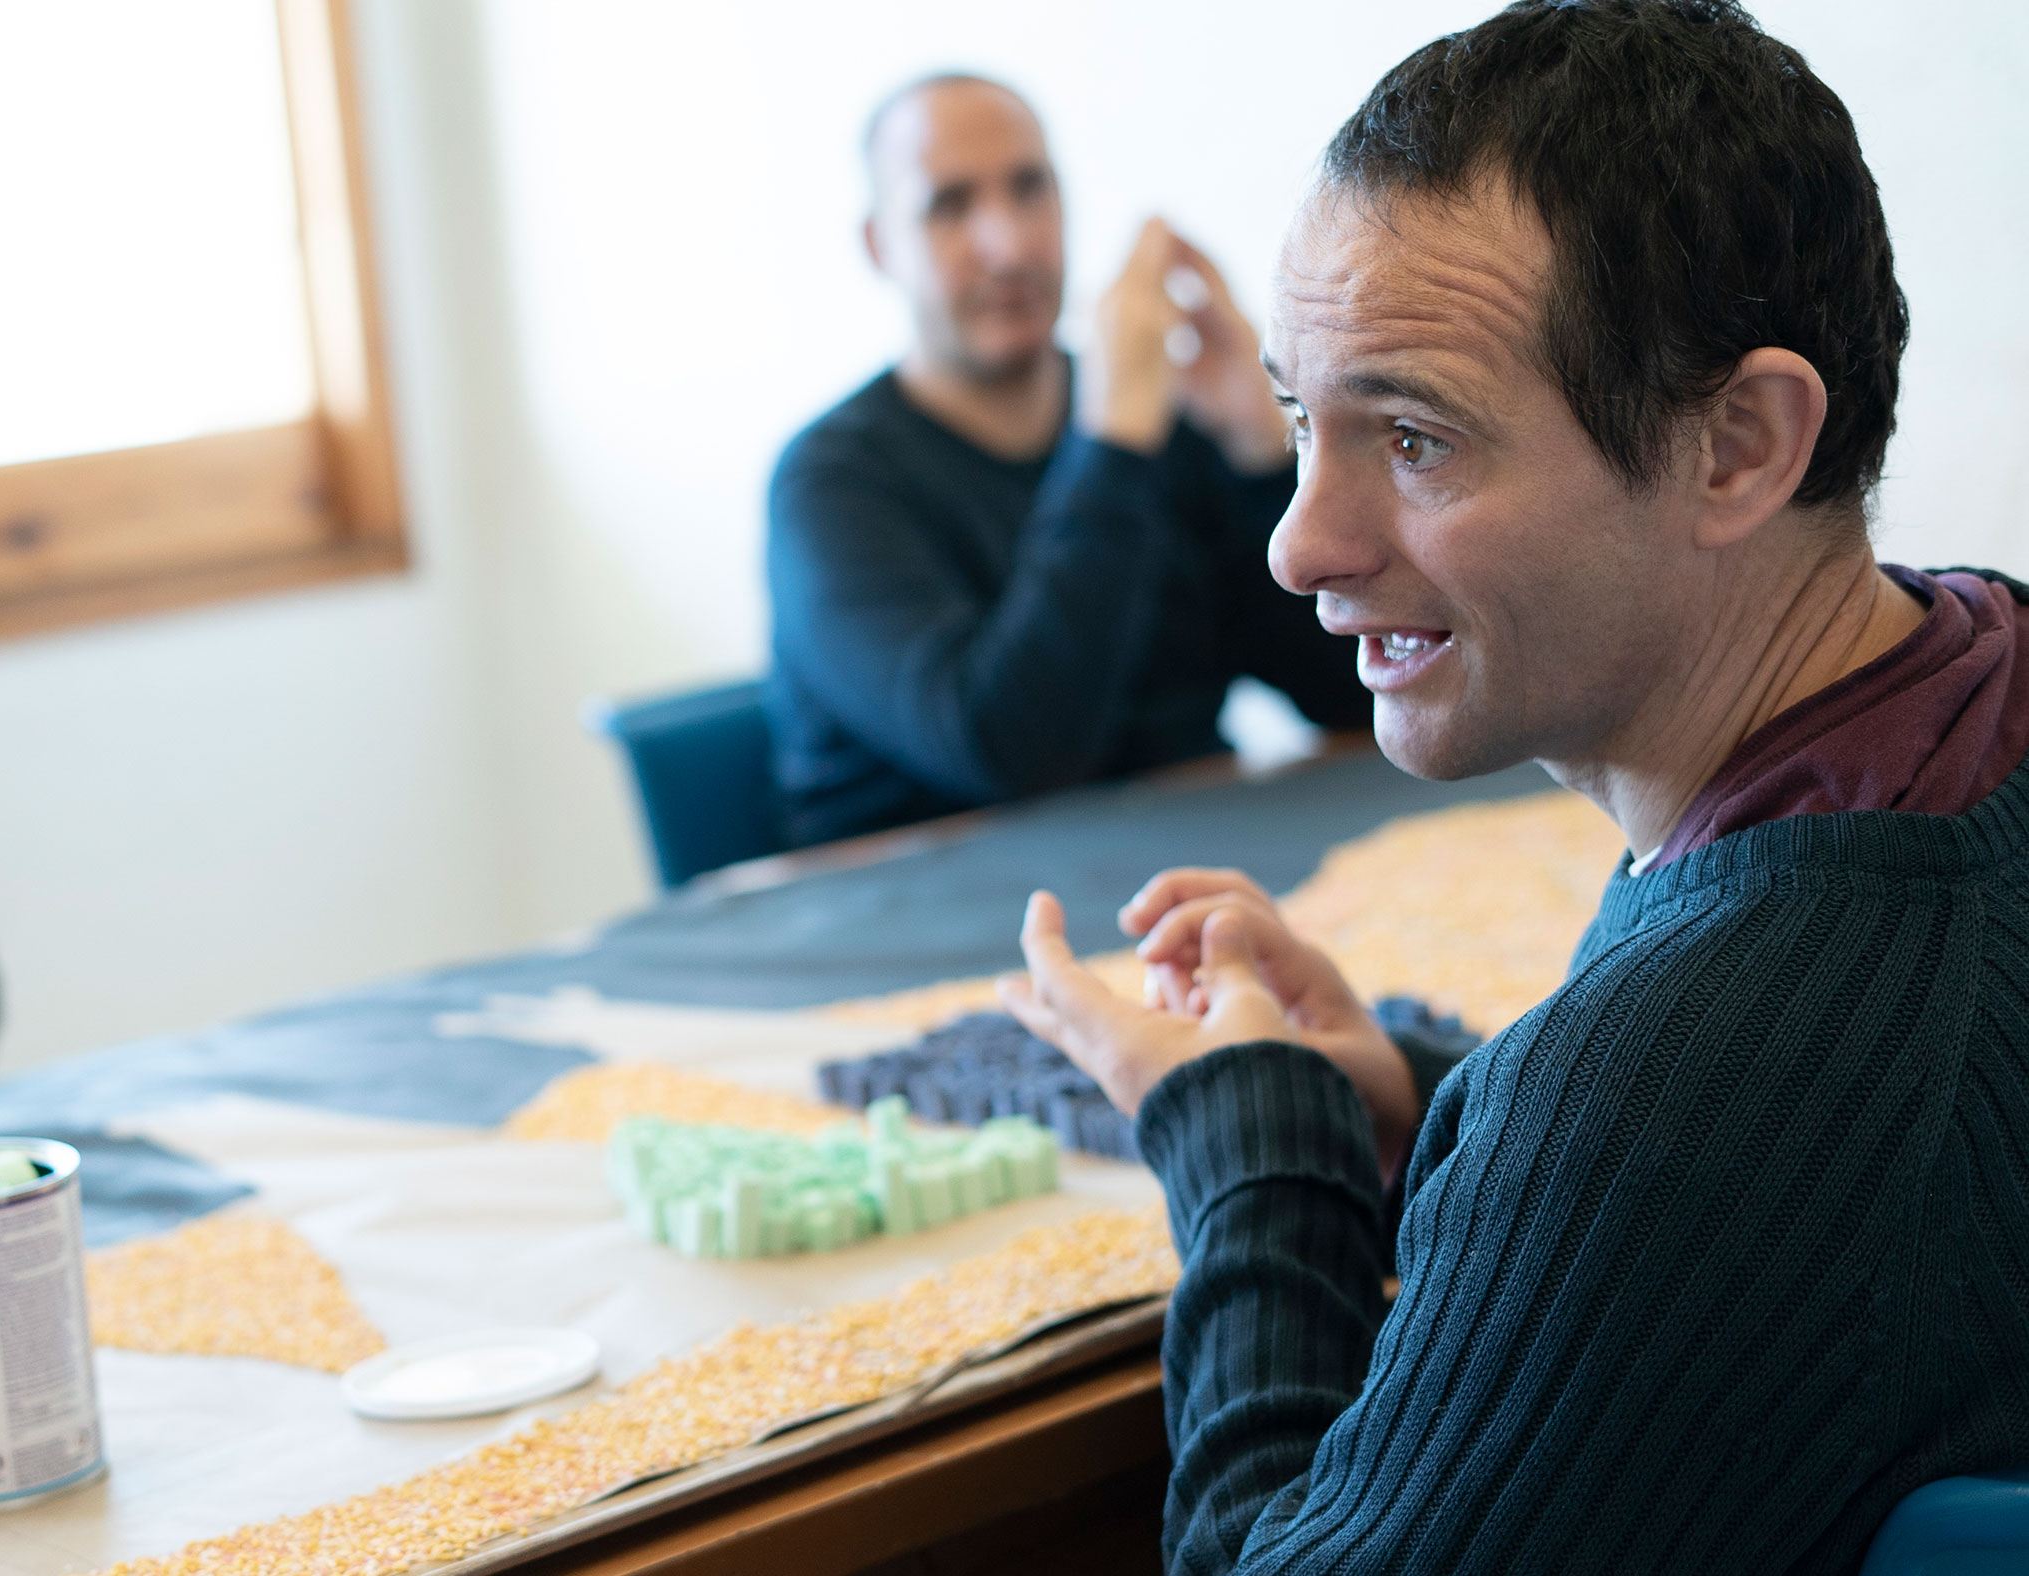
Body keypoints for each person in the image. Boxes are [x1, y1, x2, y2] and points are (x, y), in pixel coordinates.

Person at [997, 3, 2029, 1570]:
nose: (1297, 545)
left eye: (1413, 437)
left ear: (1737, 444)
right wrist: (1442, 1108)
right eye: (1299, 418)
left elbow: (1709, 1130)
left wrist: (1257, 1154)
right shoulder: (1969, 704)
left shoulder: (1656, 1108)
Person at [765, 74, 1369, 848]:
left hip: (1191, 863)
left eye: (1029, 189)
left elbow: (1351, 698)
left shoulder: (1161, 419)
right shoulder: (829, 486)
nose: (1010, 245)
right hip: (930, 895)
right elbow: (1011, 752)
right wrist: (1114, 442)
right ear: (881, 246)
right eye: (949, 205)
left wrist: (1264, 452)